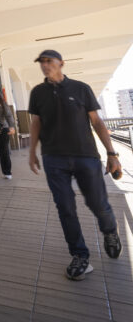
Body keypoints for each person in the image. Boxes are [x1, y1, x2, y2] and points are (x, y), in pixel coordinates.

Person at [27, 49, 122, 281]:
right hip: (53, 159)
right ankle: (80, 255)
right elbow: (36, 123)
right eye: (42, 62)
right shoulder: (37, 93)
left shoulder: (81, 88)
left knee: (98, 204)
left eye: (49, 61)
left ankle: (110, 231)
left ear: (62, 63)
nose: (45, 65)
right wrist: (32, 152)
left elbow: (97, 122)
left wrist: (111, 154)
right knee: (65, 207)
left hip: (85, 156)